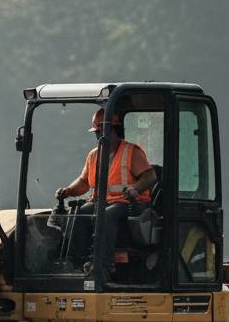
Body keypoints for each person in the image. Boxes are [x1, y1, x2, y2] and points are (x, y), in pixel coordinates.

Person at [55, 109, 157, 281]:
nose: (97, 136)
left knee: (106, 216)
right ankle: (76, 265)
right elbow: (83, 182)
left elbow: (150, 176)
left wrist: (135, 189)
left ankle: (101, 268)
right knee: (80, 213)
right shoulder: (94, 155)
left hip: (129, 204)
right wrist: (67, 191)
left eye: (98, 132)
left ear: (110, 129)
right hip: (102, 202)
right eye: (96, 132)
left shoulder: (131, 152)